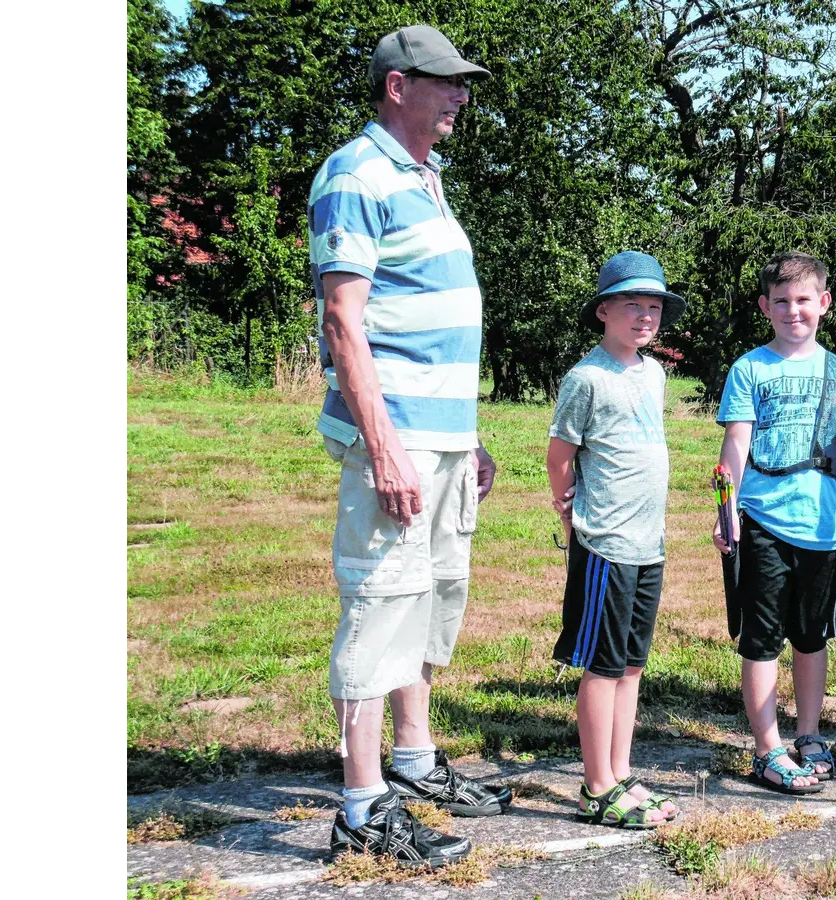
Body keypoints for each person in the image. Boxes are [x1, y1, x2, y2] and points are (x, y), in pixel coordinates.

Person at [310, 24, 512, 867]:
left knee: (431, 598)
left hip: (442, 438)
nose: (462, 95)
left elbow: (427, 316)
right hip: (392, 439)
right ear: (398, 86)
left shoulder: (424, 175)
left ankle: (416, 763)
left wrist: (465, 438)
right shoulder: (356, 173)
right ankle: (361, 810)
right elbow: (343, 321)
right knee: (382, 601)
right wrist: (386, 448)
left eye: (463, 83)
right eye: (446, 82)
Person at [713, 251, 836, 795]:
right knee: (761, 639)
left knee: (811, 636)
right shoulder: (749, 368)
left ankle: (809, 735)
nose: (792, 311)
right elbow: (734, 444)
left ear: (824, 303)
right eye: (780, 301)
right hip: (762, 522)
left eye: (803, 300)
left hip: (824, 528)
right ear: (765, 307)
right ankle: (768, 749)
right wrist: (724, 509)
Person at [546, 251, 686, 829]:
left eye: (653, 306)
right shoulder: (586, 378)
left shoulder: (652, 372)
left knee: (631, 666)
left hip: (647, 544)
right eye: (632, 305)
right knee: (602, 668)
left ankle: (621, 773)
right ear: (604, 311)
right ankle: (595, 786)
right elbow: (561, 456)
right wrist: (570, 514)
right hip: (605, 542)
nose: (644, 316)